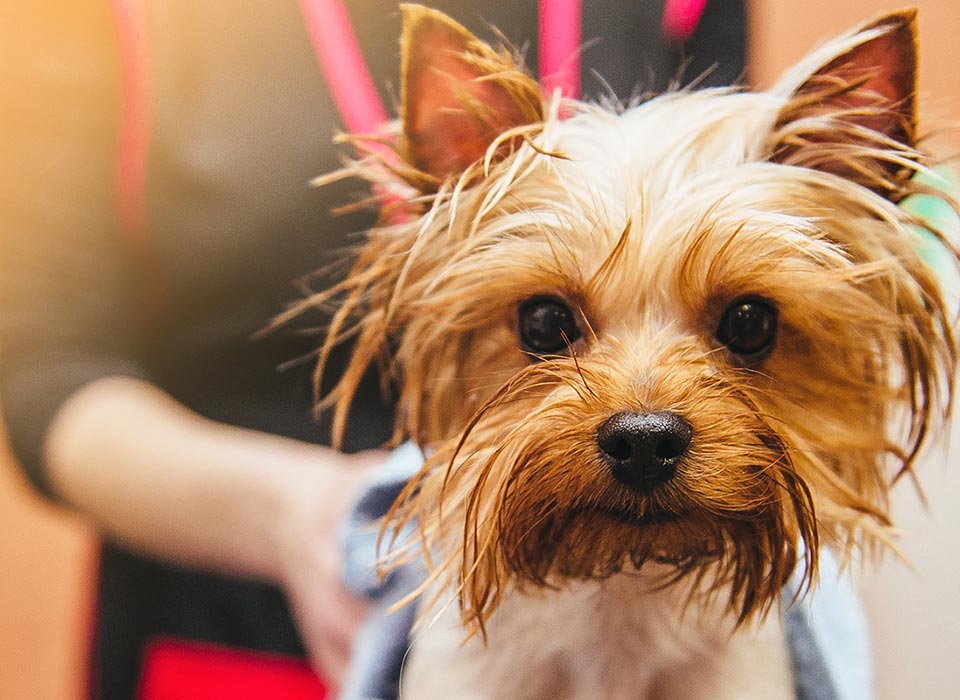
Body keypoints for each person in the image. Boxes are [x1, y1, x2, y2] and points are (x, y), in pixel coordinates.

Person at [0, 1, 745, 698]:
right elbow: (48, 375)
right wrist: (294, 513)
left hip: (636, 636)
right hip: (234, 628)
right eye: (547, 327)